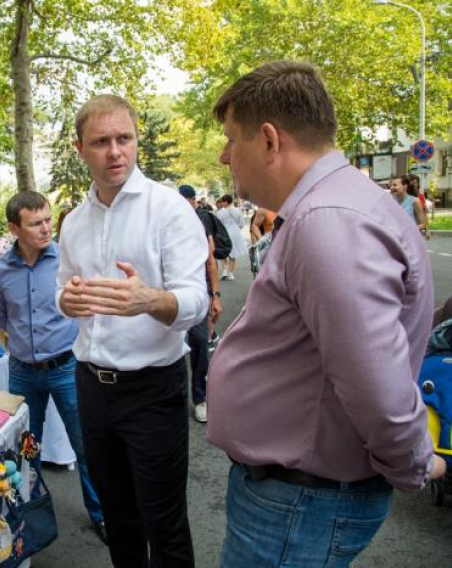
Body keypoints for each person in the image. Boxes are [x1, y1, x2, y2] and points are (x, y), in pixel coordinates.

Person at [207, 61, 445, 567]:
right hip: (299, 497)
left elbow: (375, 383)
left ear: (270, 141)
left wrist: (413, 465)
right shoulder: (331, 208)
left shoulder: (327, 222)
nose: (226, 154)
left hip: (302, 503)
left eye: (232, 139)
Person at [57, 94, 208, 567]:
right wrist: (66, 300)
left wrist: (151, 300)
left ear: (137, 140)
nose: (115, 151)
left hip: (151, 388)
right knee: (118, 521)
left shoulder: (168, 209)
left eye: (124, 138)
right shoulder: (73, 222)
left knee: (164, 526)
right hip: (92, 387)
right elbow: (63, 292)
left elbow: (197, 301)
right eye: (101, 142)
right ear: (81, 149)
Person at [0, 190, 106, 544]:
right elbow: (1, 318)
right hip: (23, 372)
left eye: (46, 220)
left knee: (85, 444)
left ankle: (102, 515)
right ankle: (32, 516)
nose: (45, 228)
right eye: (35, 223)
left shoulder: (65, 260)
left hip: (67, 368)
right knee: (26, 447)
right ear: (13, 228)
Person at [179, 184, 222, 423]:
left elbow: (210, 261)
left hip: (198, 295)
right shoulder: (165, 224)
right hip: (169, 296)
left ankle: (200, 398)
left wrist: (215, 296)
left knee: (199, 344)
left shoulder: (199, 222)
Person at [214, 194, 248, 281]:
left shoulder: (220, 212)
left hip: (224, 233)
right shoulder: (237, 210)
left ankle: (225, 271)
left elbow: (219, 225)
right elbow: (241, 224)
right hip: (235, 233)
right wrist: (236, 228)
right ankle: (231, 273)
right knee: (233, 254)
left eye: (223, 201)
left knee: (224, 253)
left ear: (226, 202)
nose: (222, 203)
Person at [390, 174, 429, 238]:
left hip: (410, 239)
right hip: (396, 239)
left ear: (405, 186)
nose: (391, 187)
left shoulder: (414, 201)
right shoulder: (391, 201)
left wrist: (409, 230)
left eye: (395, 185)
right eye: (391, 185)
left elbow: (423, 224)